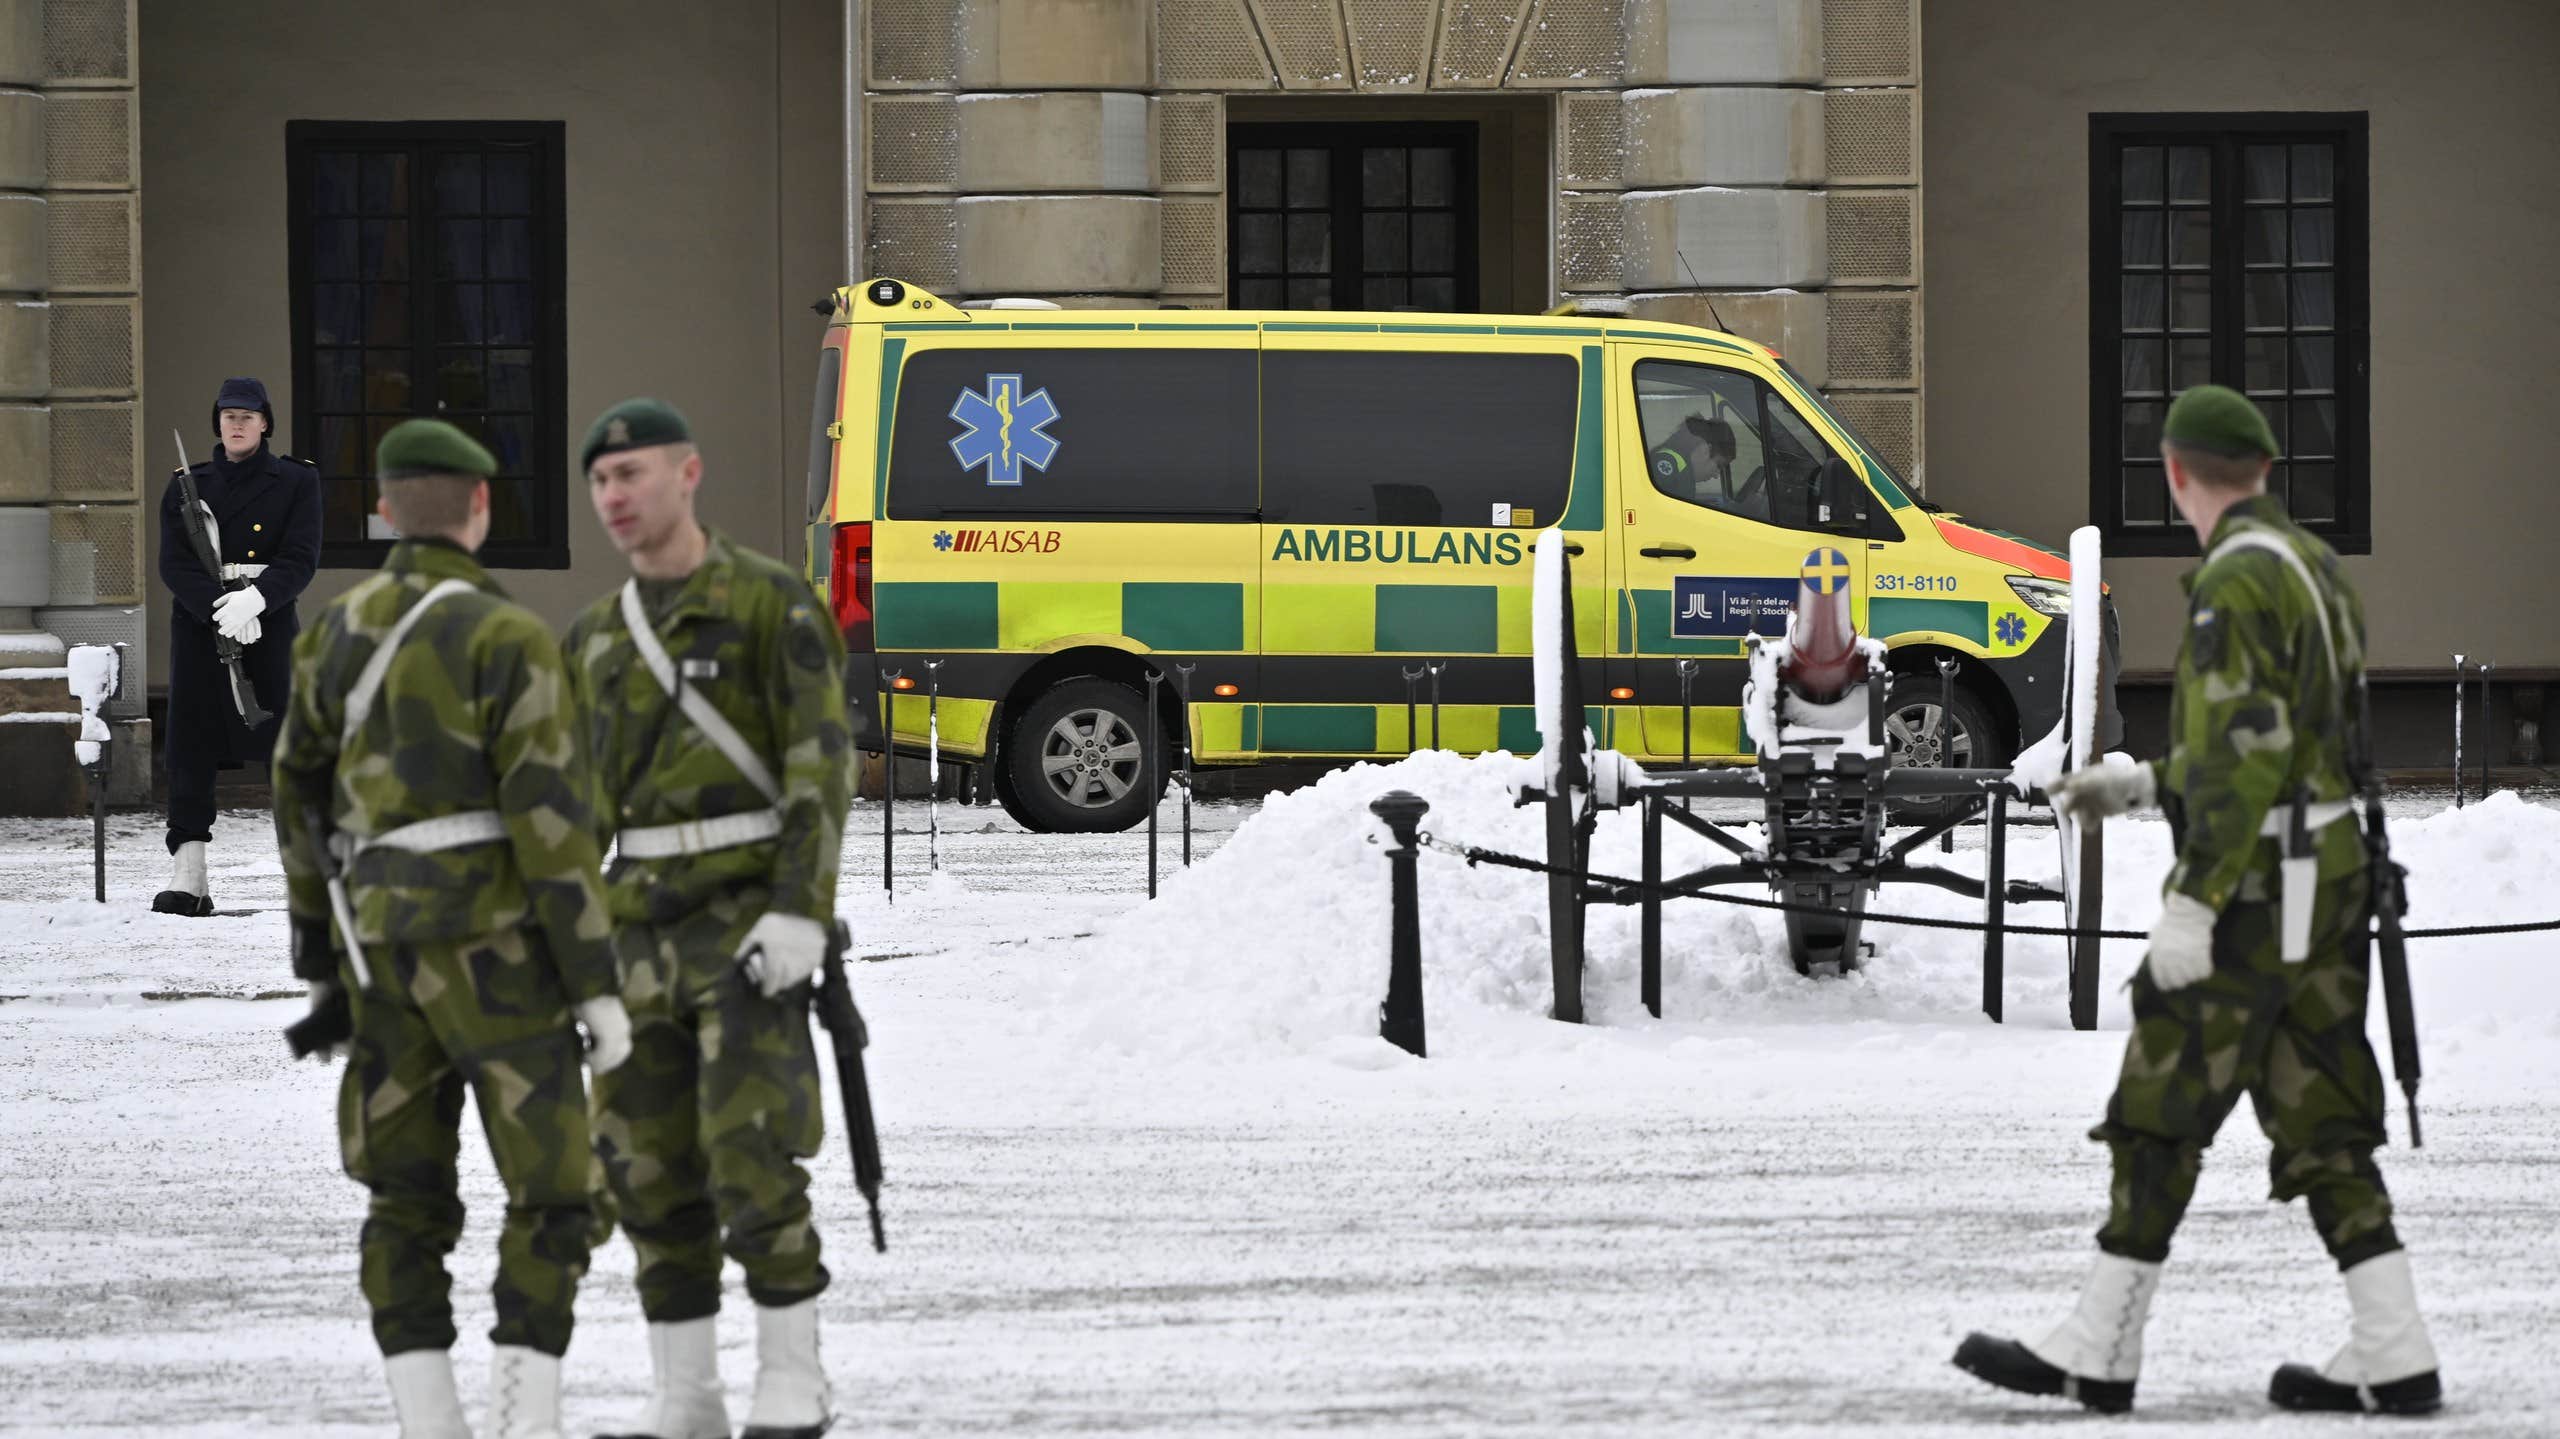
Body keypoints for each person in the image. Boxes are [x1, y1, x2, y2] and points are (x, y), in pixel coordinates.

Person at [1954, 385, 2440, 1416]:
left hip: (2257, 889)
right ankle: (2392, 1341)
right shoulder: (2312, 568)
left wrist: (2192, 899)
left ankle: (2101, 1340)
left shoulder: (2231, 578)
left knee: (2156, 1104)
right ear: (2262, 470)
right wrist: (2145, 784)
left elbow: (2248, 749)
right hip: (2327, 876)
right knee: (2319, 1113)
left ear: (2176, 473)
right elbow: (2292, 740)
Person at [272, 419, 631, 1439]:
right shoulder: (506, 634)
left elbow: (295, 804)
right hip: (503, 954)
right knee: (556, 1186)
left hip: (382, 952)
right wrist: (595, 981)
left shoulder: (334, 632)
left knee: (402, 1196)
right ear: (480, 508)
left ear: (384, 510)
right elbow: (557, 826)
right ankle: (526, 1414)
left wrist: (322, 958)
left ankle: (429, 1418)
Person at [562, 398, 851, 1439]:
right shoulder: (594, 641)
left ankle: (792, 1374)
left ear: (688, 473)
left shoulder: (769, 605)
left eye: (631, 474)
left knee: (752, 1152)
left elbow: (821, 766)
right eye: (599, 481)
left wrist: (799, 910)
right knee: (644, 1165)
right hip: (635, 936)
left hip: (743, 933)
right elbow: (571, 811)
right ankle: (684, 1392)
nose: (613, 497)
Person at [155, 377, 320, 914]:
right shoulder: (187, 485)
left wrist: (255, 602)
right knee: (191, 743)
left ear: (265, 422)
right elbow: (175, 563)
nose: (237, 422)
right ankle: (189, 876)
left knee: (285, 745)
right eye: (228, 414)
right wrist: (218, 609)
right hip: (202, 627)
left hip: (266, 624)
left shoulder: (296, 481)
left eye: (247, 415)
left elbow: (300, 557)